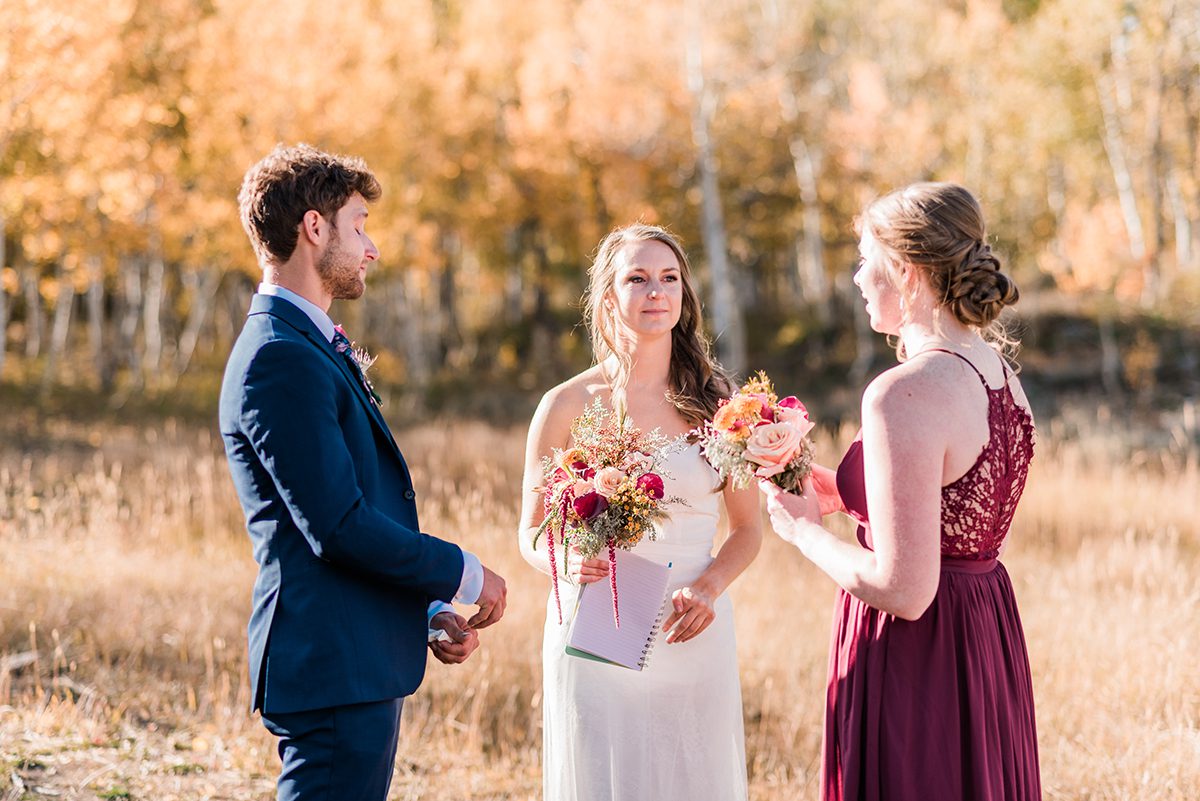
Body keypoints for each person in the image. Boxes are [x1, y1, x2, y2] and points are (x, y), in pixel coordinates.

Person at [219, 144, 507, 801]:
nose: (370, 248)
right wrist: (461, 569)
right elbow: (338, 527)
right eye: (359, 225)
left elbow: (348, 507)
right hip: (329, 662)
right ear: (313, 228)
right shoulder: (278, 357)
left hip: (355, 654)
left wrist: (423, 606)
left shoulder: (303, 344)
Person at [760, 182, 1040, 800]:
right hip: (982, 638)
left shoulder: (903, 393)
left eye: (867, 259)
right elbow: (953, 506)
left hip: (921, 657)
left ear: (909, 273)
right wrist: (837, 492)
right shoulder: (999, 375)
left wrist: (800, 529)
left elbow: (904, 590)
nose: (858, 277)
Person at [517, 224, 762, 801]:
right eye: (638, 279)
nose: (657, 291)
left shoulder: (721, 403)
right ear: (608, 297)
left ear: (684, 295)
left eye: (669, 278)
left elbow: (749, 529)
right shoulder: (566, 405)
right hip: (599, 624)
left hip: (691, 625)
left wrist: (710, 587)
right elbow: (530, 533)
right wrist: (567, 561)